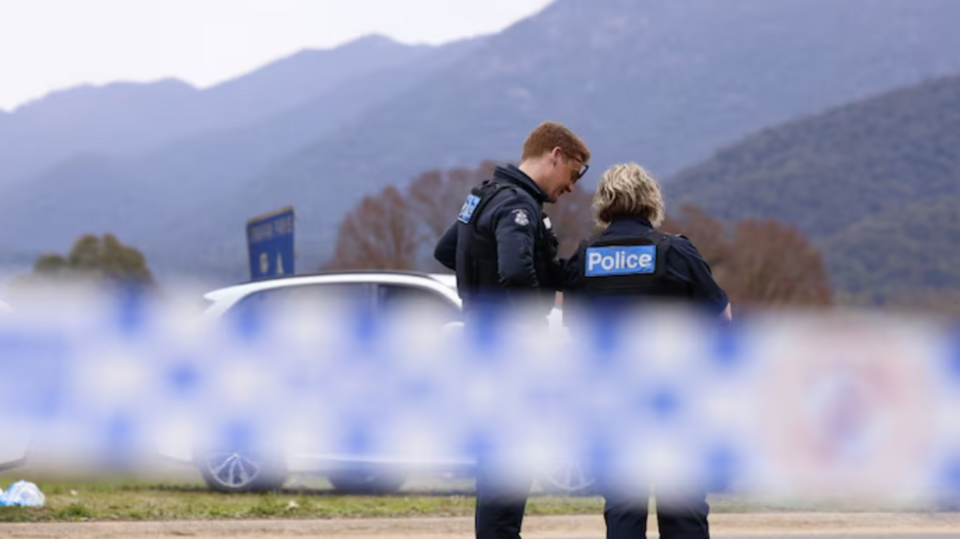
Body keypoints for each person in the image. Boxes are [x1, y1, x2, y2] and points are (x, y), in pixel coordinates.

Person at [434, 120, 591, 539]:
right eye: (573, 174)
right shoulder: (517, 207)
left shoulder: (483, 195)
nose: (572, 187)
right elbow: (518, 274)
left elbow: (448, 251)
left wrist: (483, 283)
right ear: (555, 155)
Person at [562, 162, 732, 539]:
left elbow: (574, 329)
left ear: (604, 203)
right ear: (650, 200)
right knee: (683, 513)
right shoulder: (676, 252)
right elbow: (722, 318)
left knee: (623, 511)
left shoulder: (584, 258)